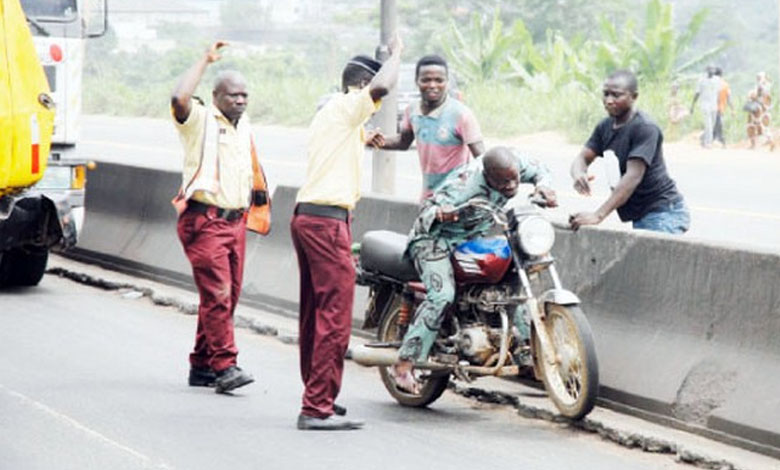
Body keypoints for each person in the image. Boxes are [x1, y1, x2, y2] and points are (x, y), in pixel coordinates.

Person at [290, 37, 403, 431]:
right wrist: (397, 56)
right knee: (335, 317)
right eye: (370, 102)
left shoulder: (333, 117)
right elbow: (383, 87)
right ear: (359, 87)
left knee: (314, 314)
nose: (375, 110)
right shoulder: (348, 105)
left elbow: (371, 137)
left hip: (308, 216)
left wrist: (368, 136)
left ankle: (319, 394)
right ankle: (316, 406)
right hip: (326, 223)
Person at [391, 147, 557, 392]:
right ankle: (404, 364)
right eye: (504, 182)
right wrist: (441, 213)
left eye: (515, 180)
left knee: (512, 278)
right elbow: (425, 212)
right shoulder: (464, 185)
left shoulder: (513, 164)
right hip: (434, 241)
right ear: (488, 177)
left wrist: (544, 186)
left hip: (472, 237)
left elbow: (542, 170)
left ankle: (525, 353)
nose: (512, 186)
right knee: (442, 296)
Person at [170, 41, 258, 394]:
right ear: (216, 96)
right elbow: (179, 98)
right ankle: (225, 366)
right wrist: (203, 60)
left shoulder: (244, 125)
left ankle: (202, 364)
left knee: (227, 296)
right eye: (233, 95)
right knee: (218, 294)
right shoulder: (200, 121)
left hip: (235, 222)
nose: (239, 100)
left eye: (244, 96)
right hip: (204, 221)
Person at [570, 69, 690, 234]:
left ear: (634, 97)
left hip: (662, 213)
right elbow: (582, 158)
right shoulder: (605, 127)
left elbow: (633, 177)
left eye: (616, 95)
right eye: (605, 94)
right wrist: (579, 174)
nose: (609, 100)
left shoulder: (645, 128)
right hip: (641, 214)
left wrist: (598, 216)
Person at [376, 54, 485, 200]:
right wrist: (370, 140)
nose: (432, 85)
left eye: (439, 80)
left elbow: (482, 161)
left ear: (447, 82)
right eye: (426, 80)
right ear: (417, 81)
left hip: (456, 199)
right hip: (428, 197)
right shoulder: (412, 111)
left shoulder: (461, 114)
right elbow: (403, 142)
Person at [690, 65, 721, 148]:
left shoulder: (717, 80)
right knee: (708, 125)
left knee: (712, 124)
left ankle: (703, 140)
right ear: (706, 70)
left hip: (714, 105)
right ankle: (708, 143)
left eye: (713, 69)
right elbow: (697, 93)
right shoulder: (701, 80)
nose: (712, 70)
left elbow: (718, 94)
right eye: (710, 69)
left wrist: (719, 106)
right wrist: (692, 106)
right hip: (705, 105)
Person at [746, 71, 774, 151]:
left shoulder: (761, 86)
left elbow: (757, 97)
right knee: (762, 126)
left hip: (759, 109)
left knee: (753, 125)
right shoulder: (767, 85)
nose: (757, 79)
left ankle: (756, 144)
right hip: (764, 109)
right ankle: (768, 140)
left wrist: (751, 97)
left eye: (758, 77)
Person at [712, 67, 732, 148]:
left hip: (712, 108)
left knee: (716, 125)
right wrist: (732, 109)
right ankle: (719, 140)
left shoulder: (712, 83)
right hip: (721, 108)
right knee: (717, 125)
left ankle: (719, 140)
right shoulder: (725, 84)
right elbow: (729, 98)